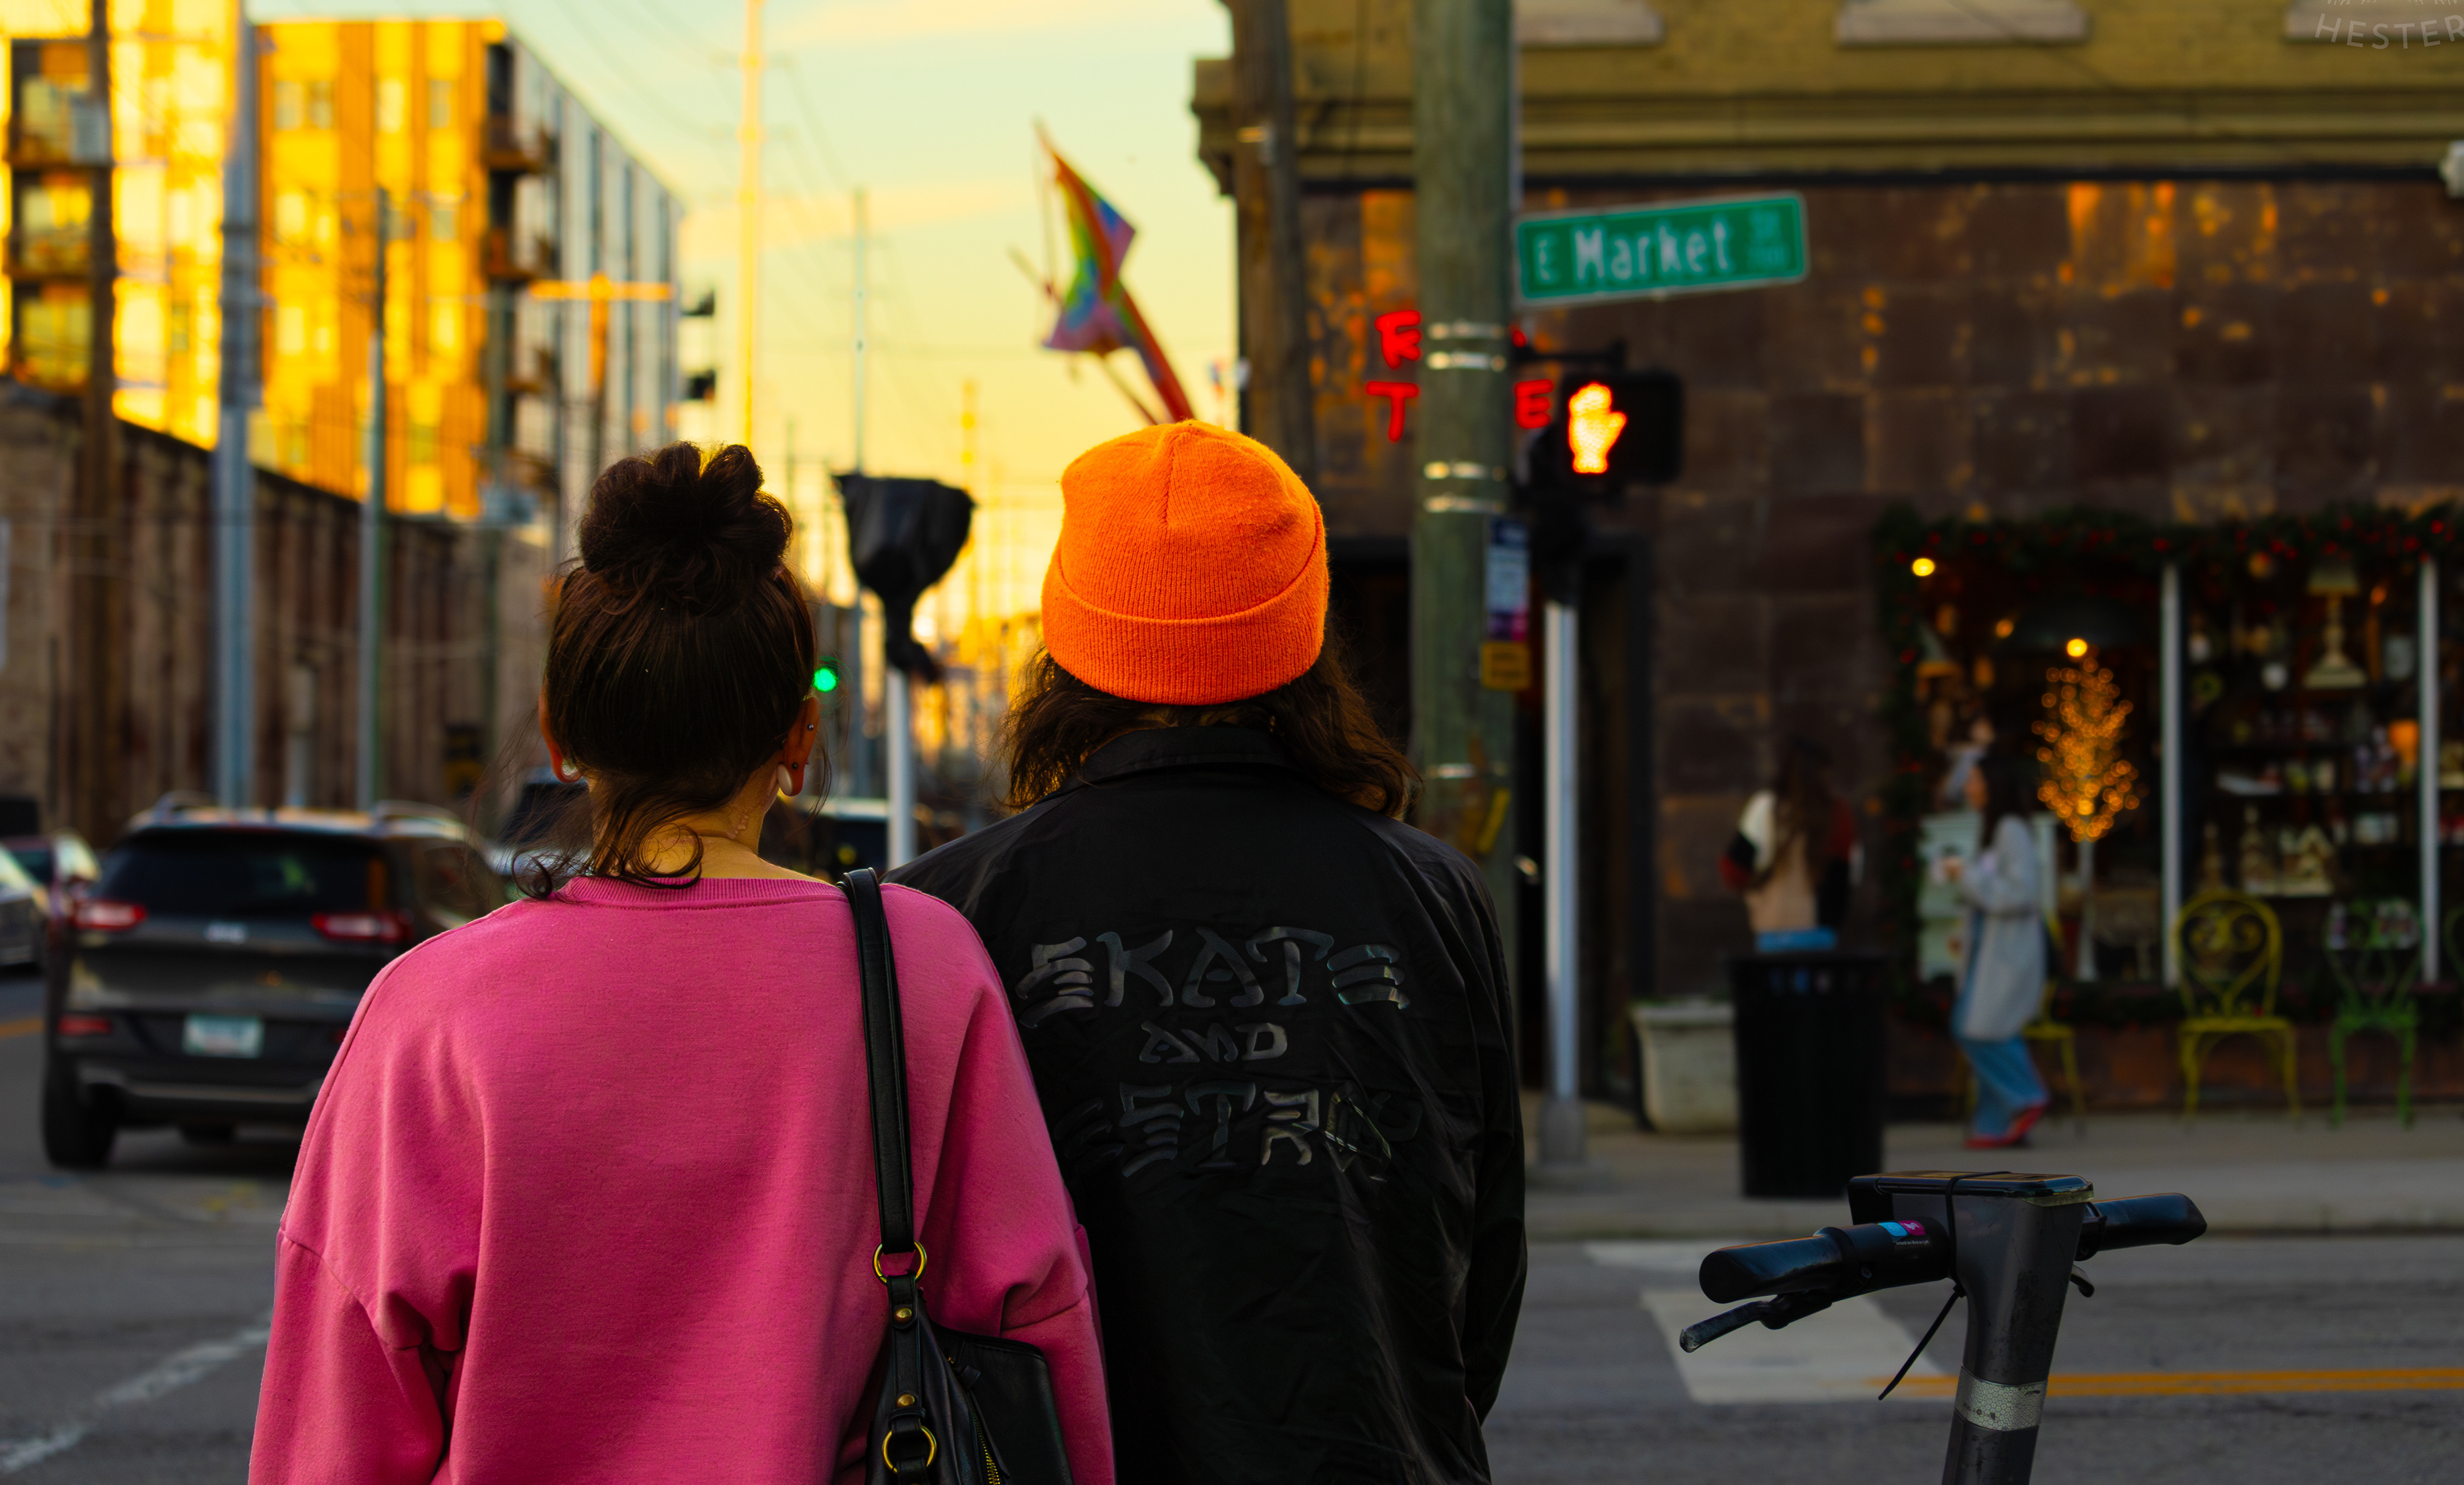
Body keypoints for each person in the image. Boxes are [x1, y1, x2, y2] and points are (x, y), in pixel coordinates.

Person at [248, 444, 1113, 1485]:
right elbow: (1035, 1317)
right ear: (800, 741)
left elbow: (342, 1408)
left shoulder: (431, 1010)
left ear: (565, 737)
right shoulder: (920, 968)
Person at [893, 421, 1525, 1485]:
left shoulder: (947, 914)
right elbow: (1485, 1269)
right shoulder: (1433, 894)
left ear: (1072, 640)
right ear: (1305, 635)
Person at [1941, 752, 2050, 1149]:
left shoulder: (2010, 829)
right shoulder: (1996, 829)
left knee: (1977, 1027)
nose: (1968, 788)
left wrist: (1966, 876)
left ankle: (2024, 1097)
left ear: (1991, 785)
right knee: (1990, 1027)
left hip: (2005, 951)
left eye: (1973, 780)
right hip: (1990, 948)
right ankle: (1995, 1124)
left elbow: (2020, 893)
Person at [1719, 737, 1858, 951]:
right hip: (1821, 934)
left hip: (1774, 930)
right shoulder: (1837, 812)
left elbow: (1733, 869)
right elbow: (1847, 875)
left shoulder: (1765, 808)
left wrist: (1757, 891)